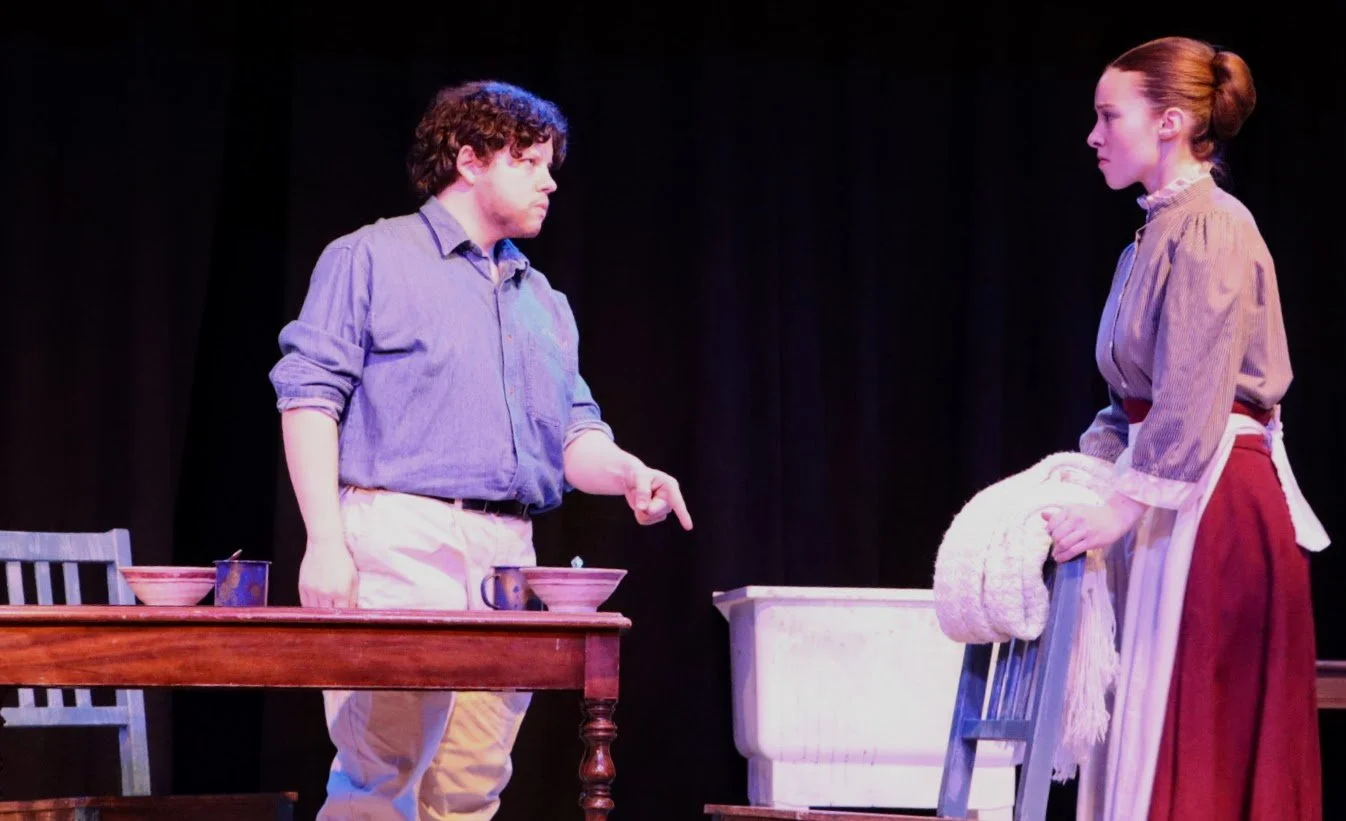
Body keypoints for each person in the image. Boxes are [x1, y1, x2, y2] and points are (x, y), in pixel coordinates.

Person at [268, 80, 693, 821]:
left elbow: (572, 433)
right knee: (382, 774)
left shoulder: (542, 300)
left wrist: (629, 471)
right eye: (528, 161)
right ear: (469, 160)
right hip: (400, 537)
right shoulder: (370, 257)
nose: (549, 181)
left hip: (505, 558)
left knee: (471, 784)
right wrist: (324, 541)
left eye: (550, 165)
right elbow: (309, 396)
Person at [1043, 36, 1329, 821]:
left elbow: (1193, 394)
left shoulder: (1213, 228)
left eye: (1110, 116)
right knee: (1148, 733)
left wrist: (1119, 506)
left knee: (1198, 740)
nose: (1094, 135)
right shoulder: (1150, 237)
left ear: (1170, 122)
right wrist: (1080, 473)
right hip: (1165, 494)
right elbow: (1126, 403)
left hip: (1215, 503)